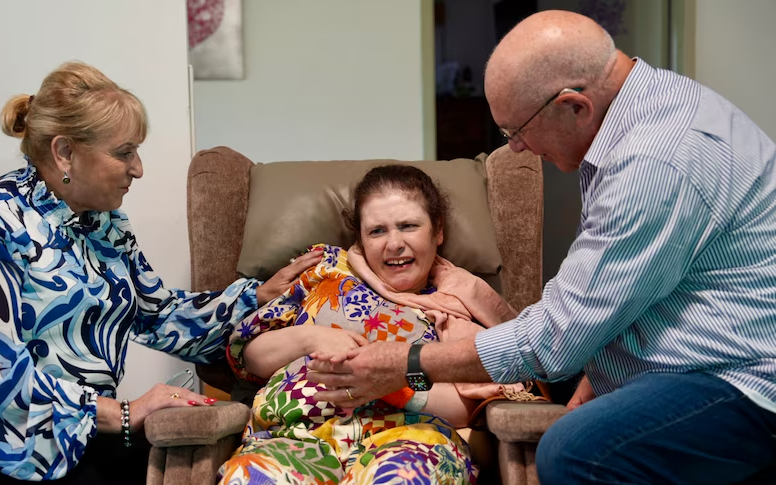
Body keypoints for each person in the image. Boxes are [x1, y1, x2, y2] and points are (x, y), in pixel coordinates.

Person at [307, 10, 776, 485]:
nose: (515, 149)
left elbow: (552, 338)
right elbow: (618, 288)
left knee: (574, 452)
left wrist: (404, 364)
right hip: (692, 341)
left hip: (744, 376)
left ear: (575, 106)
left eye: (516, 131)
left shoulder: (653, 162)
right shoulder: (643, 106)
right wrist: (602, 362)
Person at [0, 61, 321, 484]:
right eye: (125, 152)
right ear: (64, 152)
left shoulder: (104, 224)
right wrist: (123, 412)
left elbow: (157, 315)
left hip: (73, 432)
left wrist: (253, 299)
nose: (139, 168)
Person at [218, 165, 528, 485]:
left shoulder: (459, 303)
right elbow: (250, 357)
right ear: (361, 238)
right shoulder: (325, 272)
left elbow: (467, 407)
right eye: (377, 231)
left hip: (409, 441)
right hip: (294, 436)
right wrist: (312, 338)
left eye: (408, 226)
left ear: (438, 231)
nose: (393, 244)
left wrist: (395, 384)